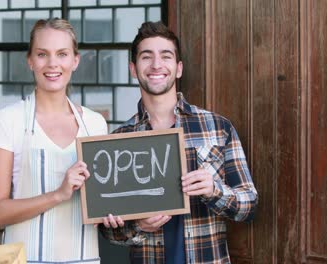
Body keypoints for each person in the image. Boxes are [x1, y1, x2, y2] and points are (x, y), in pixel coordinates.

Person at [99, 21, 258, 263]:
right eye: (146, 57)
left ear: (179, 68)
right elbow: (108, 230)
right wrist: (137, 225)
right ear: (133, 68)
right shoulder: (119, 141)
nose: (156, 65)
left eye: (166, 56)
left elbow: (249, 205)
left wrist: (214, 190)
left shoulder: (217, 127)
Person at [0, 18, 107, 263]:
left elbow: (101, 201)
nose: (52, 64)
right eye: (42, 54)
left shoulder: (95, 125)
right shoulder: (9, 121)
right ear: (30, 60)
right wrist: (57, 195)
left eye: (62, 54)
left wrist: (115, 215)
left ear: (75, 61)